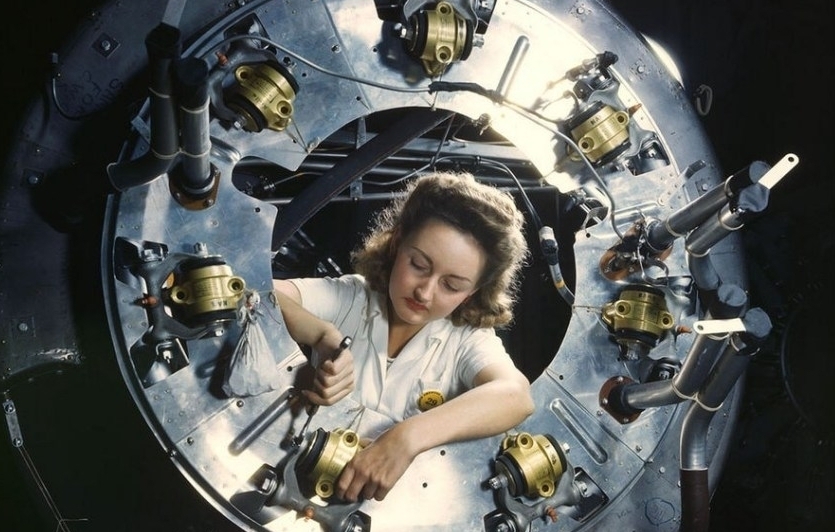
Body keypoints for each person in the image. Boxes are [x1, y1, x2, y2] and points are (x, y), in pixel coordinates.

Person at [272, 171, 534, 503]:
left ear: (472, 293)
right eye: (419, 265)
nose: (425, 292)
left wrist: (405, 439)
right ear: (396, 243)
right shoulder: (352, 297)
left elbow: (515, 395)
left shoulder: (468, 340)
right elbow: (259, 294)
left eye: (451, 285)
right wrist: (323, 335)